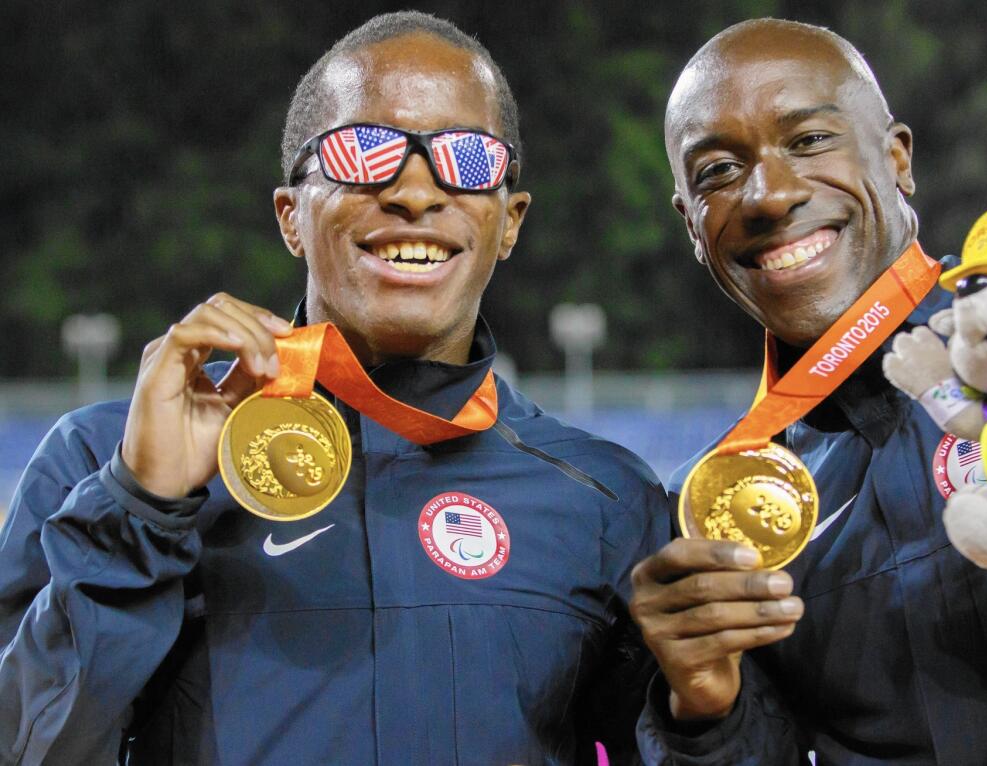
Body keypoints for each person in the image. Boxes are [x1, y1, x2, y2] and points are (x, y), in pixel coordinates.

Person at [0, 12, 667, 765]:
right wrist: (141, 507)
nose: (416, 193)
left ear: (509, 221)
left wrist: (709, 713)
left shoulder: (607, 500)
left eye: (468, 159)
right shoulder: (102, 462)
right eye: (366, 151)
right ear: (291, 216)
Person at [631, 18, 987, 765]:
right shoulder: (719, 512)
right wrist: (705, 714)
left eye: (808, 141)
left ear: (898, 158)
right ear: (691, 226)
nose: (767, 195)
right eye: (718, 172)